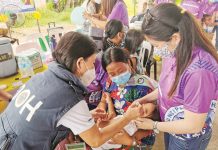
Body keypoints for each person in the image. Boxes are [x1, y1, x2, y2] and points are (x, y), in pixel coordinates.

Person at [0, 32, 143, 150]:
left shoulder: (42, 77)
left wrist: (84, 115)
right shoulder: (69, 96)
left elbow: (46, 114)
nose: (94, 68)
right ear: (80, 63)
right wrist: (127, 118)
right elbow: (95, 140)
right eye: (93, 63)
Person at [132, 3, 218, 150]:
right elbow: (166, 87)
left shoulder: (200, 71)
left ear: (175, 38)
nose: (156, 51)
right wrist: (144, 99)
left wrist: (153, 125)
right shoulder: (174, 51)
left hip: (188, 137)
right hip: (172, 125)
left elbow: (193, 125)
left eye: (157, 45)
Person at [96, 47, 159, 149]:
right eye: (112, 74)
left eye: (121, 71)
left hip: (137, 136)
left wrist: (129, 140)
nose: (117, 76)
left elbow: (152, 121)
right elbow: (104, 99)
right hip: (116, 130)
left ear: (129, 63)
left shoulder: (142, 87)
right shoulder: (110, 82)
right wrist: (103, 111)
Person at [86, 19, 125, 109]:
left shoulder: (103, 49)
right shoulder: (112, 57)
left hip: (93, 98)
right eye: (123, 32)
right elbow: (108, 87)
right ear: (120, 34)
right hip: (100, 102)